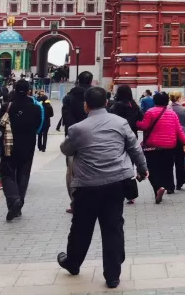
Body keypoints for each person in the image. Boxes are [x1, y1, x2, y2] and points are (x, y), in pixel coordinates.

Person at [58, 86, 148, 289]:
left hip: (87, 185)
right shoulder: (120, 123)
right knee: (113, 227)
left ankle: (73, 263)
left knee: (81, 227)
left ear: (86, 105)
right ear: (106, 103)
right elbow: (134, 147)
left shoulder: (78, 129)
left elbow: (66, 149)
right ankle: (113, 275)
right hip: (116, 183)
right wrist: (143, 169)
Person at [0, 80, 43, 221]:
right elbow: (39, 126)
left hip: (9, 145)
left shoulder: (7, 106)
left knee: (7, 174)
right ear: (29, 90)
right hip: (28, 145)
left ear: (14, 89)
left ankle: (13, 200)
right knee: (23, 174)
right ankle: (19, 205)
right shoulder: (36, 108)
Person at [136, 92, 185, 203]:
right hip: (169, 146)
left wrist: (136, 123)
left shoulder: (150, 112)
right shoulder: (172, 113)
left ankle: (158, 188)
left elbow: (144, 126)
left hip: (152, 146)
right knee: (167, 168)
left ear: (155, 101)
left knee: (152, 169)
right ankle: (166, 186)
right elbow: (179, 130)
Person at [61, 72, 94, 213]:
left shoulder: (69, 97)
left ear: (78, 81)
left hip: (74, 138)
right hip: (93, 138)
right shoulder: (95, 96)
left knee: (72, 173)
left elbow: (66, 118)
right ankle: (92, 201)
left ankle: (75, 202)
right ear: (91, 81)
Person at [169, 91, 185, 190]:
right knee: (180, 161)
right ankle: (180, 182)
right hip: (180, 138)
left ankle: (170, 185)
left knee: (169, 162)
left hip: (169, 138)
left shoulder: (168, 109)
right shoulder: (183, 109)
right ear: (179, 98)